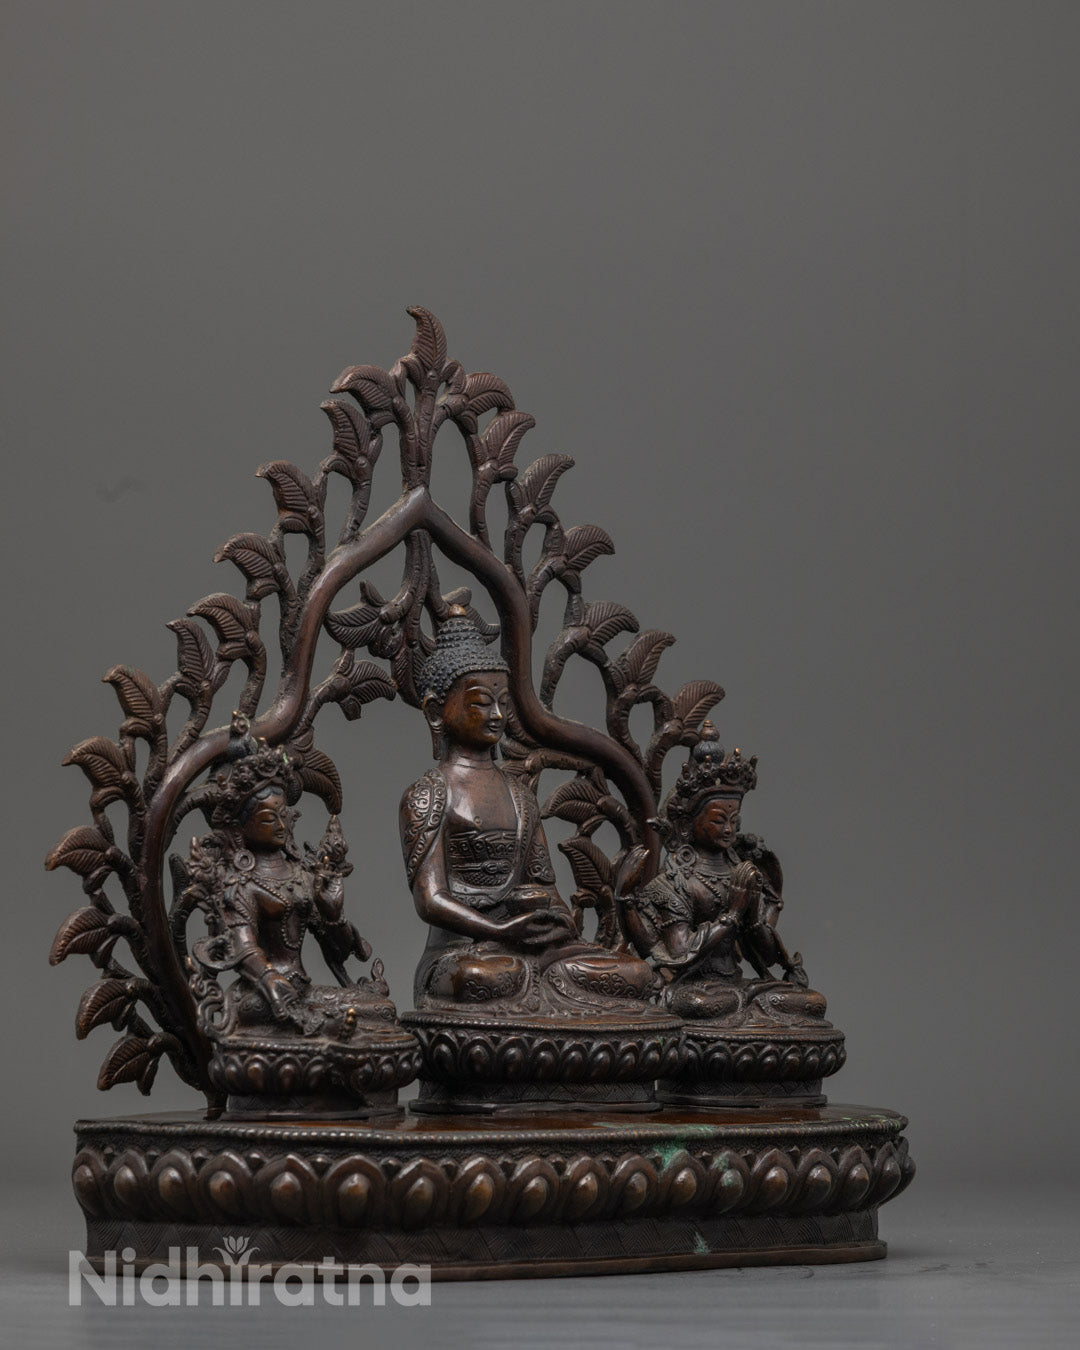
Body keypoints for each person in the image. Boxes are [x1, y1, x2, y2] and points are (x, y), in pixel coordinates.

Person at [400, 608, 660, 1015]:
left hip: (530, 947)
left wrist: (556, 920)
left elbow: (544, 887)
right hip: (464, 952)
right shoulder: (427, 794)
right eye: (481, 703)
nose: (497, 715)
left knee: (634, 974)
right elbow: (430, 900)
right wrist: (498, 928)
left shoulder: (520, 794)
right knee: (482, 978)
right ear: (436, 712)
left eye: (503, 703)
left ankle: (548, 999)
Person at [632, 722, 827, 1026]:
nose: (728, 829)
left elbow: (763, 954)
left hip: (738, 986)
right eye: (719, 820)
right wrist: (734, 912)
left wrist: (753, 915)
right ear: (687, 825)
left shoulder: (740, 873)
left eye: (734, 821)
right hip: (695, 988)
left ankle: (746, 1013)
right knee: (702, 1005)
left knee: (809, 1002)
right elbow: (679, 953)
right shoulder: (674, 883)